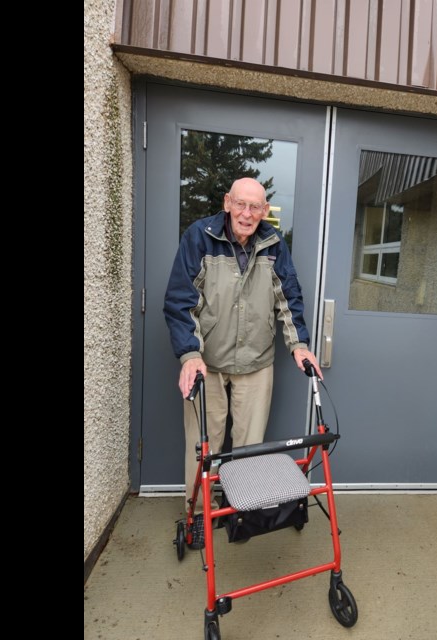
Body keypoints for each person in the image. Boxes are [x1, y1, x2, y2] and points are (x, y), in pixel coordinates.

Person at [164, 177, 323, 542]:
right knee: (203, 446)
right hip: (209, 363)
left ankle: (243, 512)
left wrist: (299, 344)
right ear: (227, 203)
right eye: (241, 204)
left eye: (255, 207)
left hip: (257, 362)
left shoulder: (273, 242)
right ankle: (199, 516)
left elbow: (289, 297)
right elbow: (179, 300)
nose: (247, 214)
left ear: (265, 211)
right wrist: (189, 354)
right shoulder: (198, 236)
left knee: (251, 448)